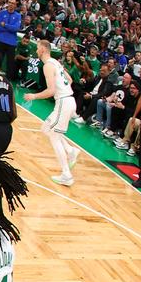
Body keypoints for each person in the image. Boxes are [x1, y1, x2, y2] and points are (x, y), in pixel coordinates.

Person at [24, 40, 79, 186]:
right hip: (68, 100)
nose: (36, 51)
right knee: (46, 128)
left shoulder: (48, 65)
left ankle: (66, 174)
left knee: (54, 135)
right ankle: (70, 150)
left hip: (63, 102)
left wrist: (33, 96)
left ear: (42, 49)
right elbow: (69, 79)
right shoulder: (55, 62)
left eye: (37, 48)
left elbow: (51, 91)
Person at [0, 0, 22, 81]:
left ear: (15, 5)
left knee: (10, 62)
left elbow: (16, 28)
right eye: (9, 2)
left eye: (13, 3)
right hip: (1, 40)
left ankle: (8, 79)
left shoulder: (18, 15)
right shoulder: (1, 13)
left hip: (11, 42)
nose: (11, 4)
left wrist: (5, 25)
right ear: (7, 3)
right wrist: (9, 28)